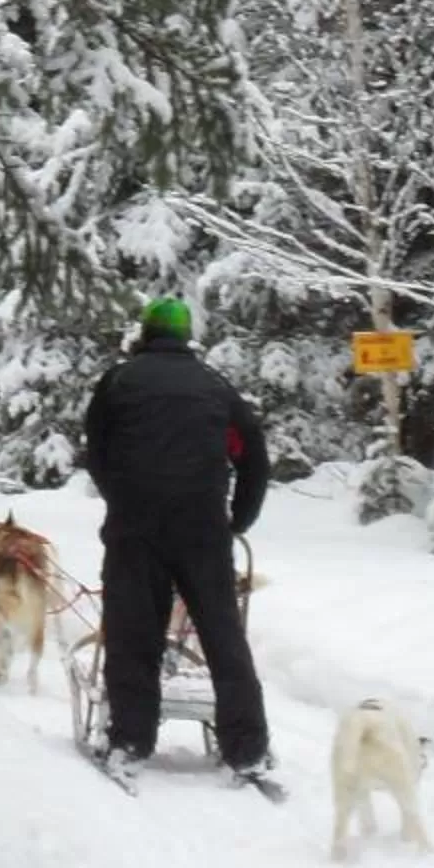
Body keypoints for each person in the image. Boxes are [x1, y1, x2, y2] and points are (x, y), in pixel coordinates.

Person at [80, 294, 274, 793]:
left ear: (144, 333)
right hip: (203, 529)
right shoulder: (216, 388)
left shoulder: (118, 382)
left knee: (132, 633)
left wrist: (120, 498)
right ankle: (247, 748)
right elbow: (253, 457)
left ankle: (130, 740)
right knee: (222, 634)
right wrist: (237, 520)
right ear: (187, 336)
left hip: (135, 528)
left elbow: (96, 450)